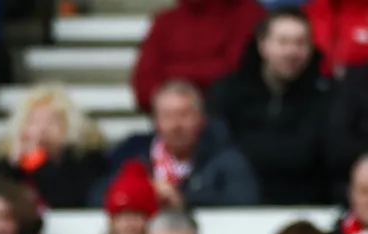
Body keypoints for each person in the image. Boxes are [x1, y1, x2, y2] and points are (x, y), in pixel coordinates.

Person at [209, 9, 330, 205]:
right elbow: (218, 149)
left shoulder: (326, 95)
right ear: (263, 45)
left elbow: (320, 156)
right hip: (234, 204)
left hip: (306, 205)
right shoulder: (228, 91)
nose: (292, 52)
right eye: (283, 42)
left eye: (300, 43)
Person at [94, 79, 259, 210]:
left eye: (184, 115)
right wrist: (141, 193)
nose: (176, 125)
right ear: (155, 121)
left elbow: (243, 204)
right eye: (167, 116)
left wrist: (184, 203)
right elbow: (95, 197)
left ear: (202, 119)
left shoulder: (227, 160)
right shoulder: (131, 154)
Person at [0, 84, 109, 210]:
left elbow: (67, 202)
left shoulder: (87, 159)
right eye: (34, 121)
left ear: (69, 125)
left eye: (51, 121)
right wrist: (12, 164)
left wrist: (41, 161)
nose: (42, 129)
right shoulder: (11, 165)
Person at [133, 0, 264, 112]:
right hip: (171, 118)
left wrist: (172, 76)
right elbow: (143, 87)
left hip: (231, 120)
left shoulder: (248, 14)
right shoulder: (165, 22)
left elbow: (236, 73)